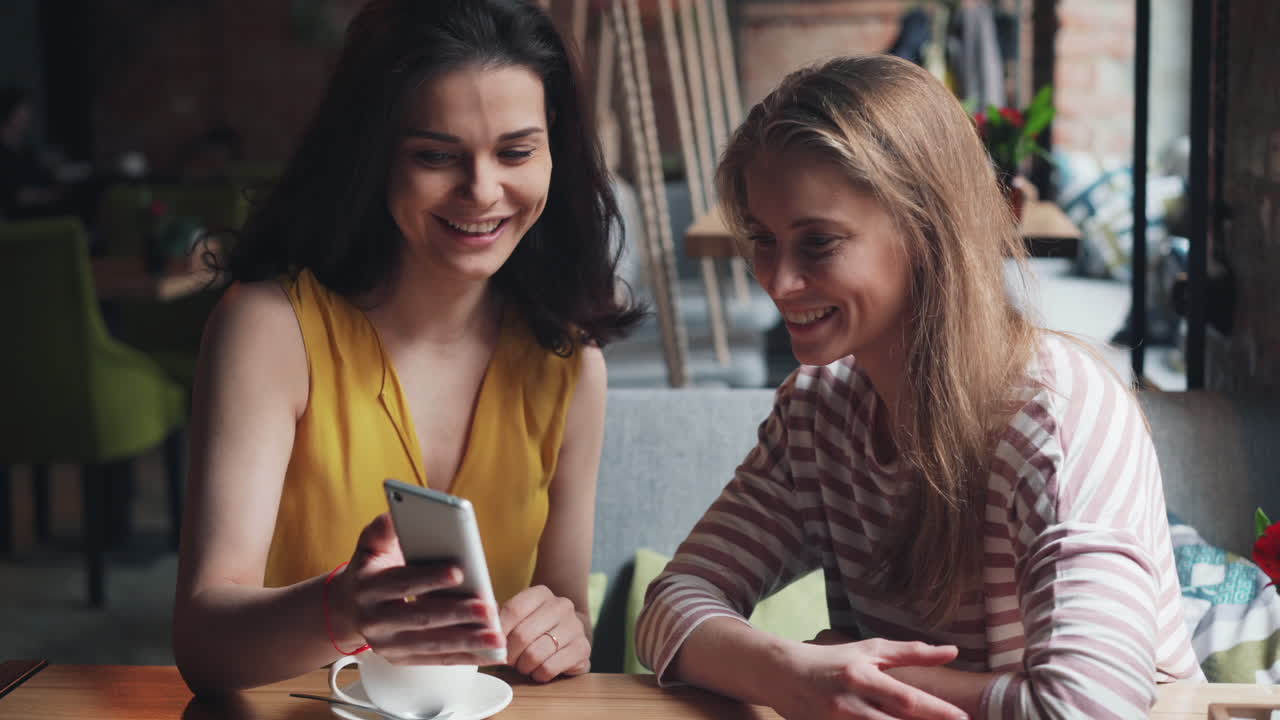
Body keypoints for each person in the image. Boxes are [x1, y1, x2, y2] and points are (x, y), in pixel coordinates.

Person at [635, 54, 1201, 720]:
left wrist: (855, 680)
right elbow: (672, 604)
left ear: (926, 234)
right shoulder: (815, 410)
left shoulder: (1060, 416)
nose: (779, 282)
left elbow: (1092, 708)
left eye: (818, 243)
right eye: (763, 239)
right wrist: (791, 671)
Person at [173, 0, 641, 694]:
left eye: (516, 151)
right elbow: (203, 643)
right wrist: (345, 607)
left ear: (555, 154)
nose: (482, 191)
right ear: (373, 155)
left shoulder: (570, 365)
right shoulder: (270, 331)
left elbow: (561, 611)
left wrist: (560, 632)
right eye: (435, 156)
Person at [0, 86, 63, 221]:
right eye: (22, 111)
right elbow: (12, 195)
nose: (27, 116)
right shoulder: (4, 153)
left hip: (42, 210)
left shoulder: (26, 149)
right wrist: (46, 196)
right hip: (20, 219)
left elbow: (41, 174)